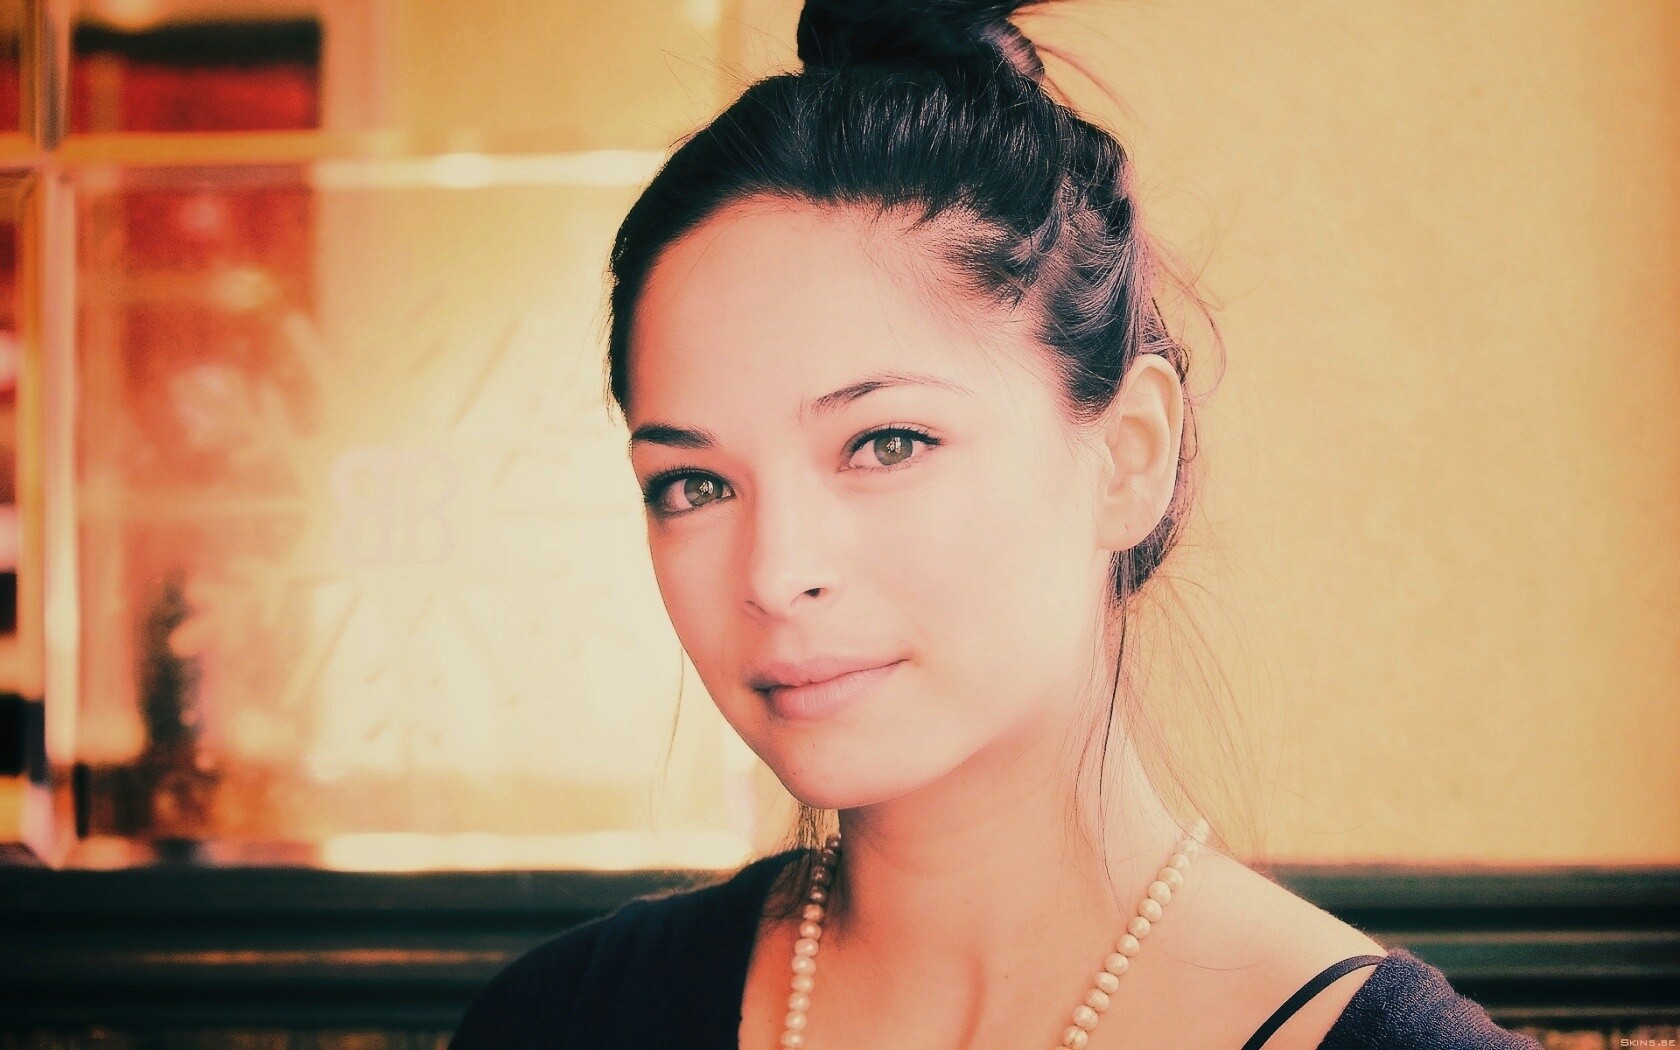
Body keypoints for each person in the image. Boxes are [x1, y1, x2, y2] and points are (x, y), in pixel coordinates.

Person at [450, 1, 1542, 1046]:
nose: (775, 575)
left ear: (1128, 454)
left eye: (886, 443)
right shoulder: (559, 1020)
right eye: (694, 485)